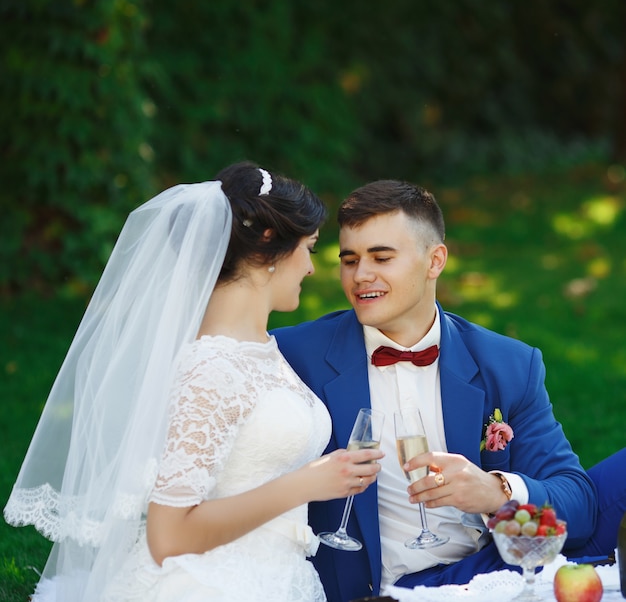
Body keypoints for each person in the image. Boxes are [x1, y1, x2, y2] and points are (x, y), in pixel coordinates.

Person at [3, 161, 383, 602]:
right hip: (209, 584)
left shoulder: (261, 350)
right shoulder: (213, 367)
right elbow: (168, 536)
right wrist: (308, 484)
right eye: (309, 249)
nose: (311, 269)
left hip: (272, 576)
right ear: (268, 245)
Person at [273, 179, 624, 602]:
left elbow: (578, 503)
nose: (361, 275)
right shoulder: (295, 355)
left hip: (492, 565)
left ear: (434, 260)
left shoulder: (509, 363)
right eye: (350, 260)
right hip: (389, 588)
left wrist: (496, 491)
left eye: (381, 257)